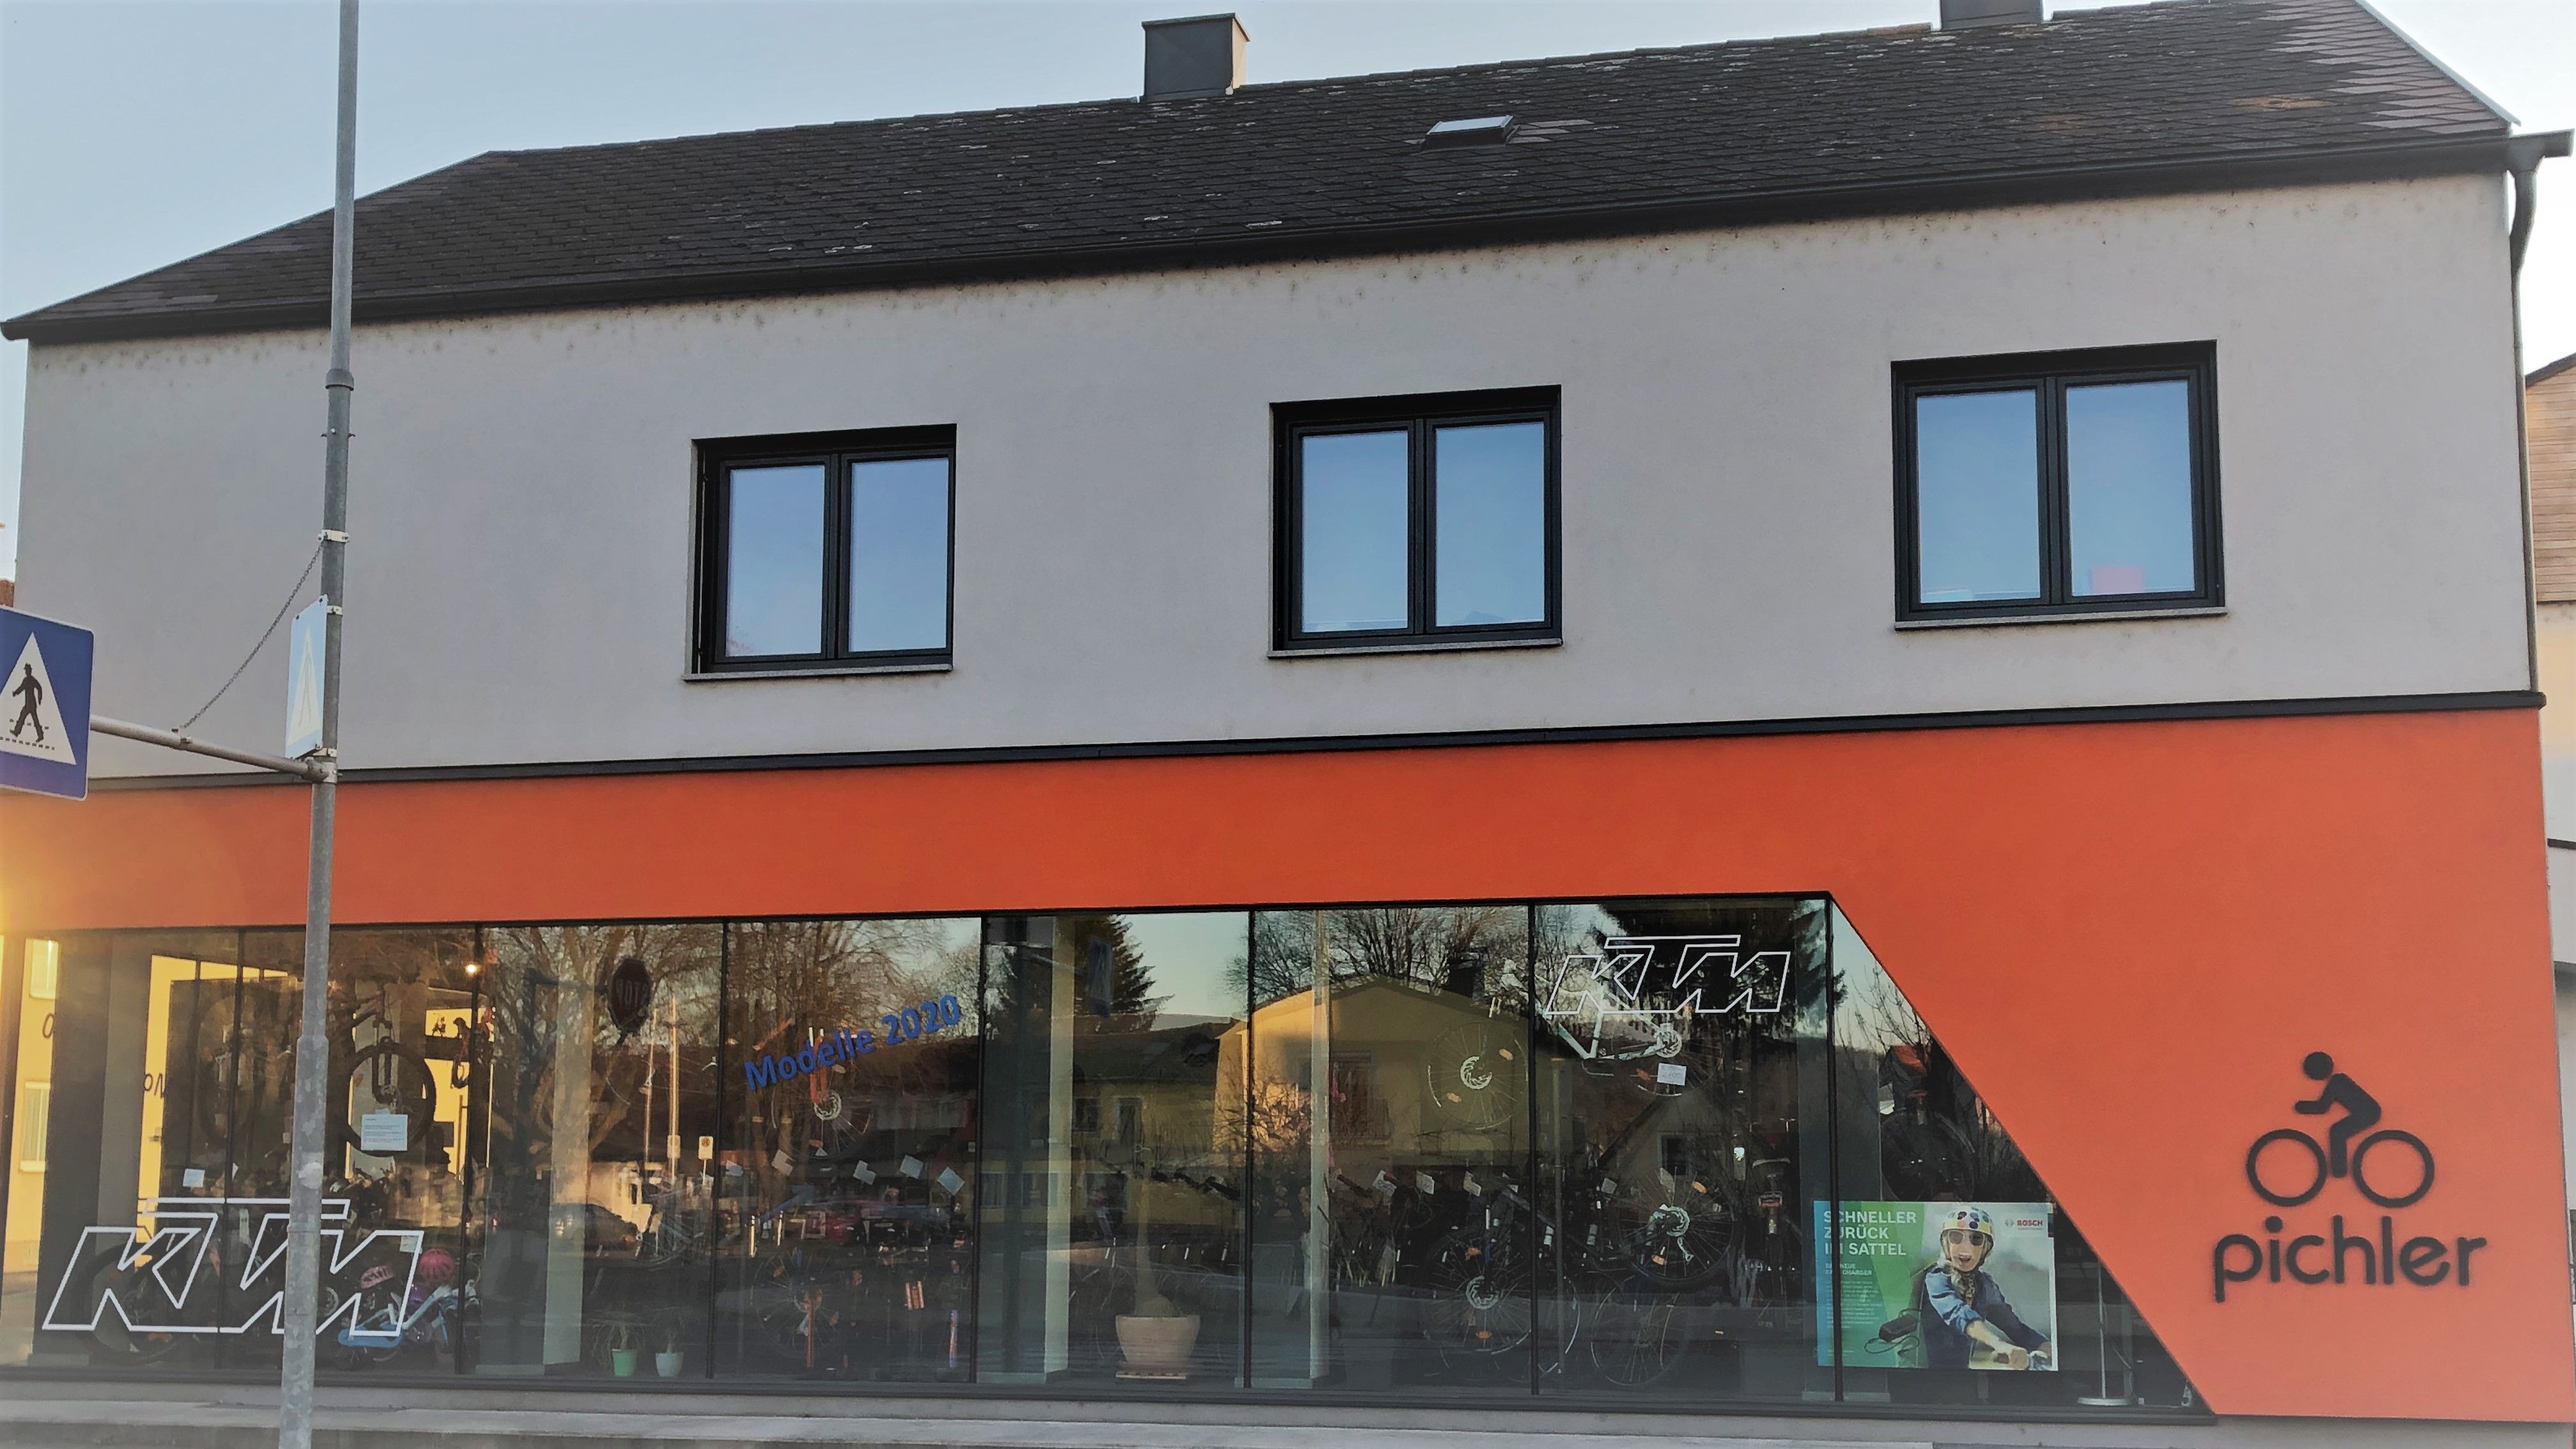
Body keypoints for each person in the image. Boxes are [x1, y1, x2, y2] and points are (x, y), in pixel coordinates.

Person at [1912, 1206, 2051, 1370]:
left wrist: (2046, 1347)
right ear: (1946, 1243)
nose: (1966, 1248)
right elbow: (1957, 1312)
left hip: (1962, 1374)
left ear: (1986, 1248)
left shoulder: (1984, 1285)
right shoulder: (1937, 1277)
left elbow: (2015, 1328)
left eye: (1976, 1239)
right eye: (1956, 1237)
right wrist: (1999, 1344)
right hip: (1922, 1374)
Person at [2292, 1051, 2380, 1179]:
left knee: (2337, 1131)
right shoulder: (2338, 1080)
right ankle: (2339, 1169)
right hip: (2369, 1111)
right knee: (2338, 1130)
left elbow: (2322, 1107)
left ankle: (2339, 1169)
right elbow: (2323, 1106)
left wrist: (2300, 1107)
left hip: (2368, 1112)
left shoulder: (2337, 1081)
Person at [9, 663, 43, 745]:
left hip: (30, 704)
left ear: (29, 671)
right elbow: (38, 688)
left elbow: (23, 688)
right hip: (30, 704)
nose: (26, 672)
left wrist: (40, 698)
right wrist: (39, 699)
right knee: (28, 718)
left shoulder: (28, 680)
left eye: (27, 670)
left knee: (30, 719)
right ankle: (18, 732)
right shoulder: (30, 680)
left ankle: (17, 732)